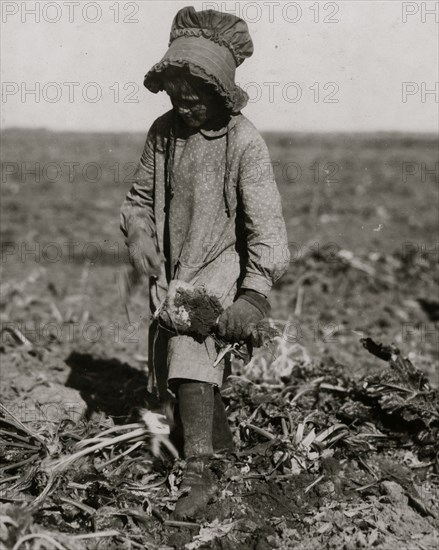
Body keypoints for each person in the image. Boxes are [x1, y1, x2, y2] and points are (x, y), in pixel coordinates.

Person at [120, 6, 290, 519]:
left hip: (221, 269)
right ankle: (224, 450)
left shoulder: (244, 143)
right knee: (182, 364)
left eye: (195, 100)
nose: (185, 108)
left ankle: (199, 472)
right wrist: (140, 234)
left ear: (221, 93)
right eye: (177, 97)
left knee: (191, 354)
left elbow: (267, 227)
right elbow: (139, 199)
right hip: (175, 269)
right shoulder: (164, 132)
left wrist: (254, 295)